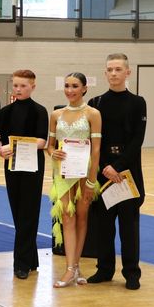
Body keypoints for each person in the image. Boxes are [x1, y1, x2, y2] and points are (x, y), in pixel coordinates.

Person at [87, 54, 146, 290]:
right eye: (110, 69)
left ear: (127, 72)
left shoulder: (138, 102)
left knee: (129, 226)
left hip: (128, 173)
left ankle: (132, 273)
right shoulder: (96, 102)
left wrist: (118, 166)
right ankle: (104, 269)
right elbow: (93, 140)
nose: (113, 73)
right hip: (103, 173)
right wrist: (104, 167)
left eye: (118, 69)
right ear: (105, 73)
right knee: (104, 225)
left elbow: (137, 140)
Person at [47, 72, 101, 288]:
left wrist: (91, 180)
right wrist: (53, 152)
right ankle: (69, 269)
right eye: (67, 86)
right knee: (67, 217)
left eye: (75, 86)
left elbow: (96, 150)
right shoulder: (55, 114)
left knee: (81, 217)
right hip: (63, 172)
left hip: (84, 172)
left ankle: (76, 265)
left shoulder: (93, 114)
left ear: (84, 88)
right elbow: (50, 145)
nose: (70, 90)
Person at [0, 70, 48, 279]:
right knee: (18, 212)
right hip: (12, 165)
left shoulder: (40, 111)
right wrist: (1, 150)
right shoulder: (5, 111)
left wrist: (16, 145)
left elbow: (42, 141)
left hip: (33, 167)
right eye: (16, 85)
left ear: (32, 87)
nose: (18, 89)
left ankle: (21, 264)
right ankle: (31, 258)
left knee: (29, 212)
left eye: (23, 86)